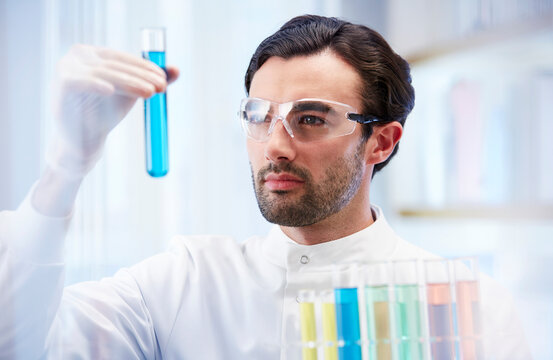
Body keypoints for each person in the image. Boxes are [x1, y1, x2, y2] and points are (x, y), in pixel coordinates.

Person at [0, 15, 529, 359]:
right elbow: (21, 344)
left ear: (382, 142)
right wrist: (66, 164)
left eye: (312, 118)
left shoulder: (468, 308)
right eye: (259, 116)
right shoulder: (181, 285)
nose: (275, 144)